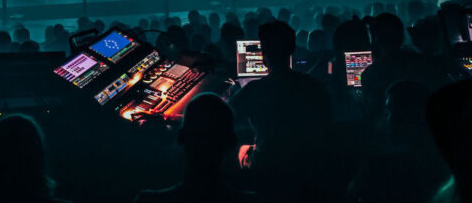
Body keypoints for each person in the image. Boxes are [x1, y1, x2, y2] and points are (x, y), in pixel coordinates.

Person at [229, 21, 335, 202]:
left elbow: (224, 118)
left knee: (240, 150)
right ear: (293, 48)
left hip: (268, 167)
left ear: (263, 54)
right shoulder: (314, 86)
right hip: (308, 168)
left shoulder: (254, 89)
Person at [134, 93, 257, 203]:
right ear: (232, 142)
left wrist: (165, 119)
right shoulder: (254, 201)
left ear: (181, 137)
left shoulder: (145, 200)